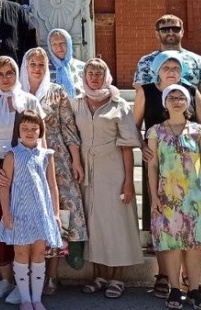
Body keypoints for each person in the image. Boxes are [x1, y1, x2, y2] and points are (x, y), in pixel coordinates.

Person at [133, 51, 201, 300]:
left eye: (176, 67)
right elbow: (134, 124)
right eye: (166, 67)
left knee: (191, 237)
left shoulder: (191, 91)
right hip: (159, 168)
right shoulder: (146, 91)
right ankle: (167, 279)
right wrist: (143, 147)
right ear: (157, 69)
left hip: (191, 176)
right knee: (163, 229)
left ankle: (191, 282)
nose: (171, 71)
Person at [73, 58, 142, 299]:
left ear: (106, 76)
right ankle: (99, 276)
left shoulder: (119, 104)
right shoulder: (77, 102)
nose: (94, 77)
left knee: (116, 225)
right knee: (94, 225)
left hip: (113, 171)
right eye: (90, 72)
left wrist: (128, 181)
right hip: (86, 172)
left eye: (99, 73)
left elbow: (126, 146)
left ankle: (117, 278)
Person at [147, 84, 201, 310]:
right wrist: (155, 197)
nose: (177, 100)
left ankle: (195, 290)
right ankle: (175, 289)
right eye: (172, 97)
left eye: (181, 97)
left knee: (193, 245)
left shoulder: (198, 131)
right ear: (165, 103)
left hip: (194, 196)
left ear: (188, 102)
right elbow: (152, 167)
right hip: (167, 197)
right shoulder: (155, 132)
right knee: (172, 244)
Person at [0, 56, 44, 301]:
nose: (5, 78)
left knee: (24, 227)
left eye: (10, 72)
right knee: (1, 223)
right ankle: (5, 279)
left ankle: (21, 283)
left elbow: (39, 136)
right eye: (0, 73)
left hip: (25, 168)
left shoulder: (29, 100)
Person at [20, 48, 87, 294]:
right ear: (25, 66)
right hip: (25, 162)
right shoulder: (18, 92)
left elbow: (69, 128)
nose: (37, 68)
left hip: (56, 159)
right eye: (32, 63)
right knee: (29, 214)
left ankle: (52, 275)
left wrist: (75, 161)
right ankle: (26, 273)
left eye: (41, 64)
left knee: (59, 214)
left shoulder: (57, 92)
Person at [0, 109, 63, 310]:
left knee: (39, 253)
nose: (30, 132)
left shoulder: (46, 155)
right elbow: (4, 188)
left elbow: (52, 186)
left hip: (40, 213)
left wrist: (56, 214)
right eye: (25, 128)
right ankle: (25, 299)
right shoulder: (12, 155)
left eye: (34, 128)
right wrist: (6, 213)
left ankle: (37, 298)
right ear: (18, 130)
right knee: (21, 253)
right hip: (18, 213)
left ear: (40, 131)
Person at [133, 14, 201, 107]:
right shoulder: (145, 62)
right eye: (165, 30)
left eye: (176, 29)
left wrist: (182, 105)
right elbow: (141, 94)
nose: (171, 33)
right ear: (157, 34)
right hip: (156, 118)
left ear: (182, 32)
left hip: (190, 118)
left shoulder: (199, 61)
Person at [47, 28, 85, 98]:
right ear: (50, 47)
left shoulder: (83, 67)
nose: (59, 47)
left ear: (69, 43)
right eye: (54, 44)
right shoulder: (45, 68)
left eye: (62, 43)